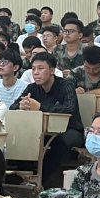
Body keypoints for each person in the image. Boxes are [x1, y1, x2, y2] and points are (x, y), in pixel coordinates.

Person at [16, 53, 85, 188]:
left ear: (52, 70)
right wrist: (21, 105)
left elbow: (69, 109)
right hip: (41, 130)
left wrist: (40, 107)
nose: (36, 72)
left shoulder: (66, 85)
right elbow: (14, 105)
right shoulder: (32, 88)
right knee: (22, 139)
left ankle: (41, 181)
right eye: (33, 69)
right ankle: (25, 178)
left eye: (40, 68)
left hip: (69, 129)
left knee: (60, 141)